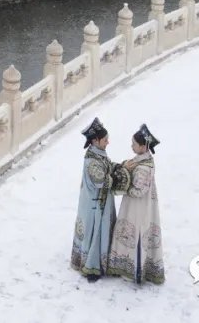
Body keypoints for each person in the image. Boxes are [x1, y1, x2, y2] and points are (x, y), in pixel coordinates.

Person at [70, 118, 130, 282]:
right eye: (105, 140)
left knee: (101, 231)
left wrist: (121, 166)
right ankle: (92, 266)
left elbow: (108, 166)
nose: (108, 142)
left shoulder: (99, 155)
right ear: (95, 141)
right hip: (94, 205)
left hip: (102, 203)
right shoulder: (91, 161)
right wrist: (117, 176)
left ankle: (102, 261)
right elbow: (102, 181)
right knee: (95, 233)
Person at [108, 124, 165, 285]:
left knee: (137, 231)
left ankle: (136, 269)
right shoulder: (142, 160)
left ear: (143, 146)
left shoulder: (143, 168)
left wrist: (124, 187)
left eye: (134, 144)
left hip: (137, 207)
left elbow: (138, 190)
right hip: (139, 205)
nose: (131, 146)